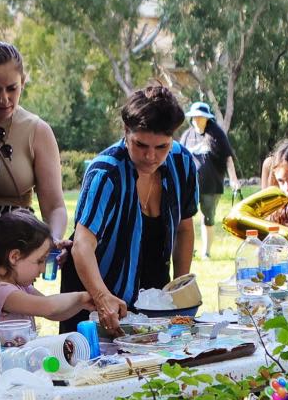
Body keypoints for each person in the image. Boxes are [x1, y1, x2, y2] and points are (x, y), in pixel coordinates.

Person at [59, 86, 199, 334]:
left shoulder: (183, 163)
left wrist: (178, 294)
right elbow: (82, 245)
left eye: (162, 147)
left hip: (152, 293)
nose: (150, 156)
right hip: (94, 294)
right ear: (126, 132)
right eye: (141, 144)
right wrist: (102, 299)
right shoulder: (106, 173)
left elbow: (185, 229)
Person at [0, 41, 69, 249]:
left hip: (16, 244)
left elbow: (55, 206)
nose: (4, 99)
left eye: (12, 88)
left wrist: (52, 240)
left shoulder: (37, 131)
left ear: (23, 83)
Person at [0, 210, 94, 328]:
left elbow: (54, 314)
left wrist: (82, 304)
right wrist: (81, 297)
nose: (43, 269)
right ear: (14, 257)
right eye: (40, 261)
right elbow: (48, 307)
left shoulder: (22, 287)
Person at [179, 101, 240, 259]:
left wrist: (233, 179)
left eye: (200, 117)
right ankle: (189, 251)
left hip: (211, 186)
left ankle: (206, 252)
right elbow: (179, 159)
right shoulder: (187, 136)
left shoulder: (217, 134)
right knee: (186, 220)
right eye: (194, 118)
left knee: (208, 219)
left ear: (207, 119)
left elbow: (228, 158)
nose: (197, 120)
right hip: (190, 186)